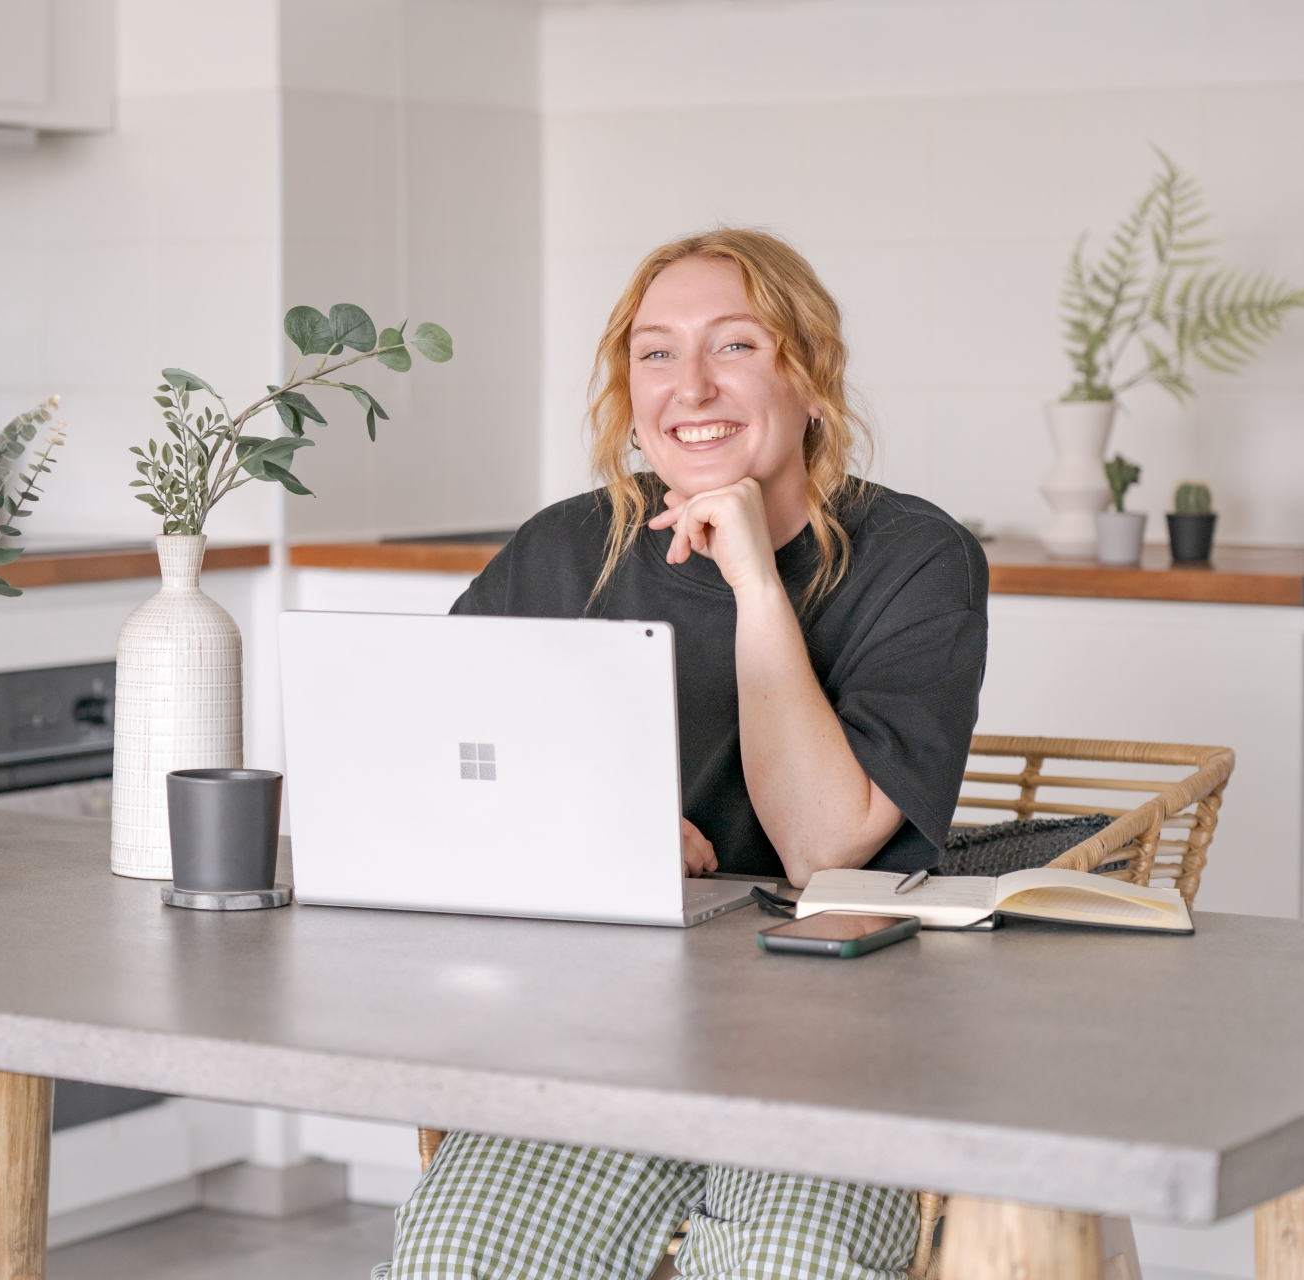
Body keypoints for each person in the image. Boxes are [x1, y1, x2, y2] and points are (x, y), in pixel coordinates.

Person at [374, 229, 988, 1280]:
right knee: (451, 1254)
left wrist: (754, 581)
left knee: (788, 1260)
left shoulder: (917, 559)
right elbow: (424, 777)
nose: (690, 385)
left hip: (836, 1048)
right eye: (656, 352)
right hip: (597, 1037)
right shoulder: (563, 550)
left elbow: (822, 847)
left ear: (811, 377)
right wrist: (600, 833)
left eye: (735, 345)